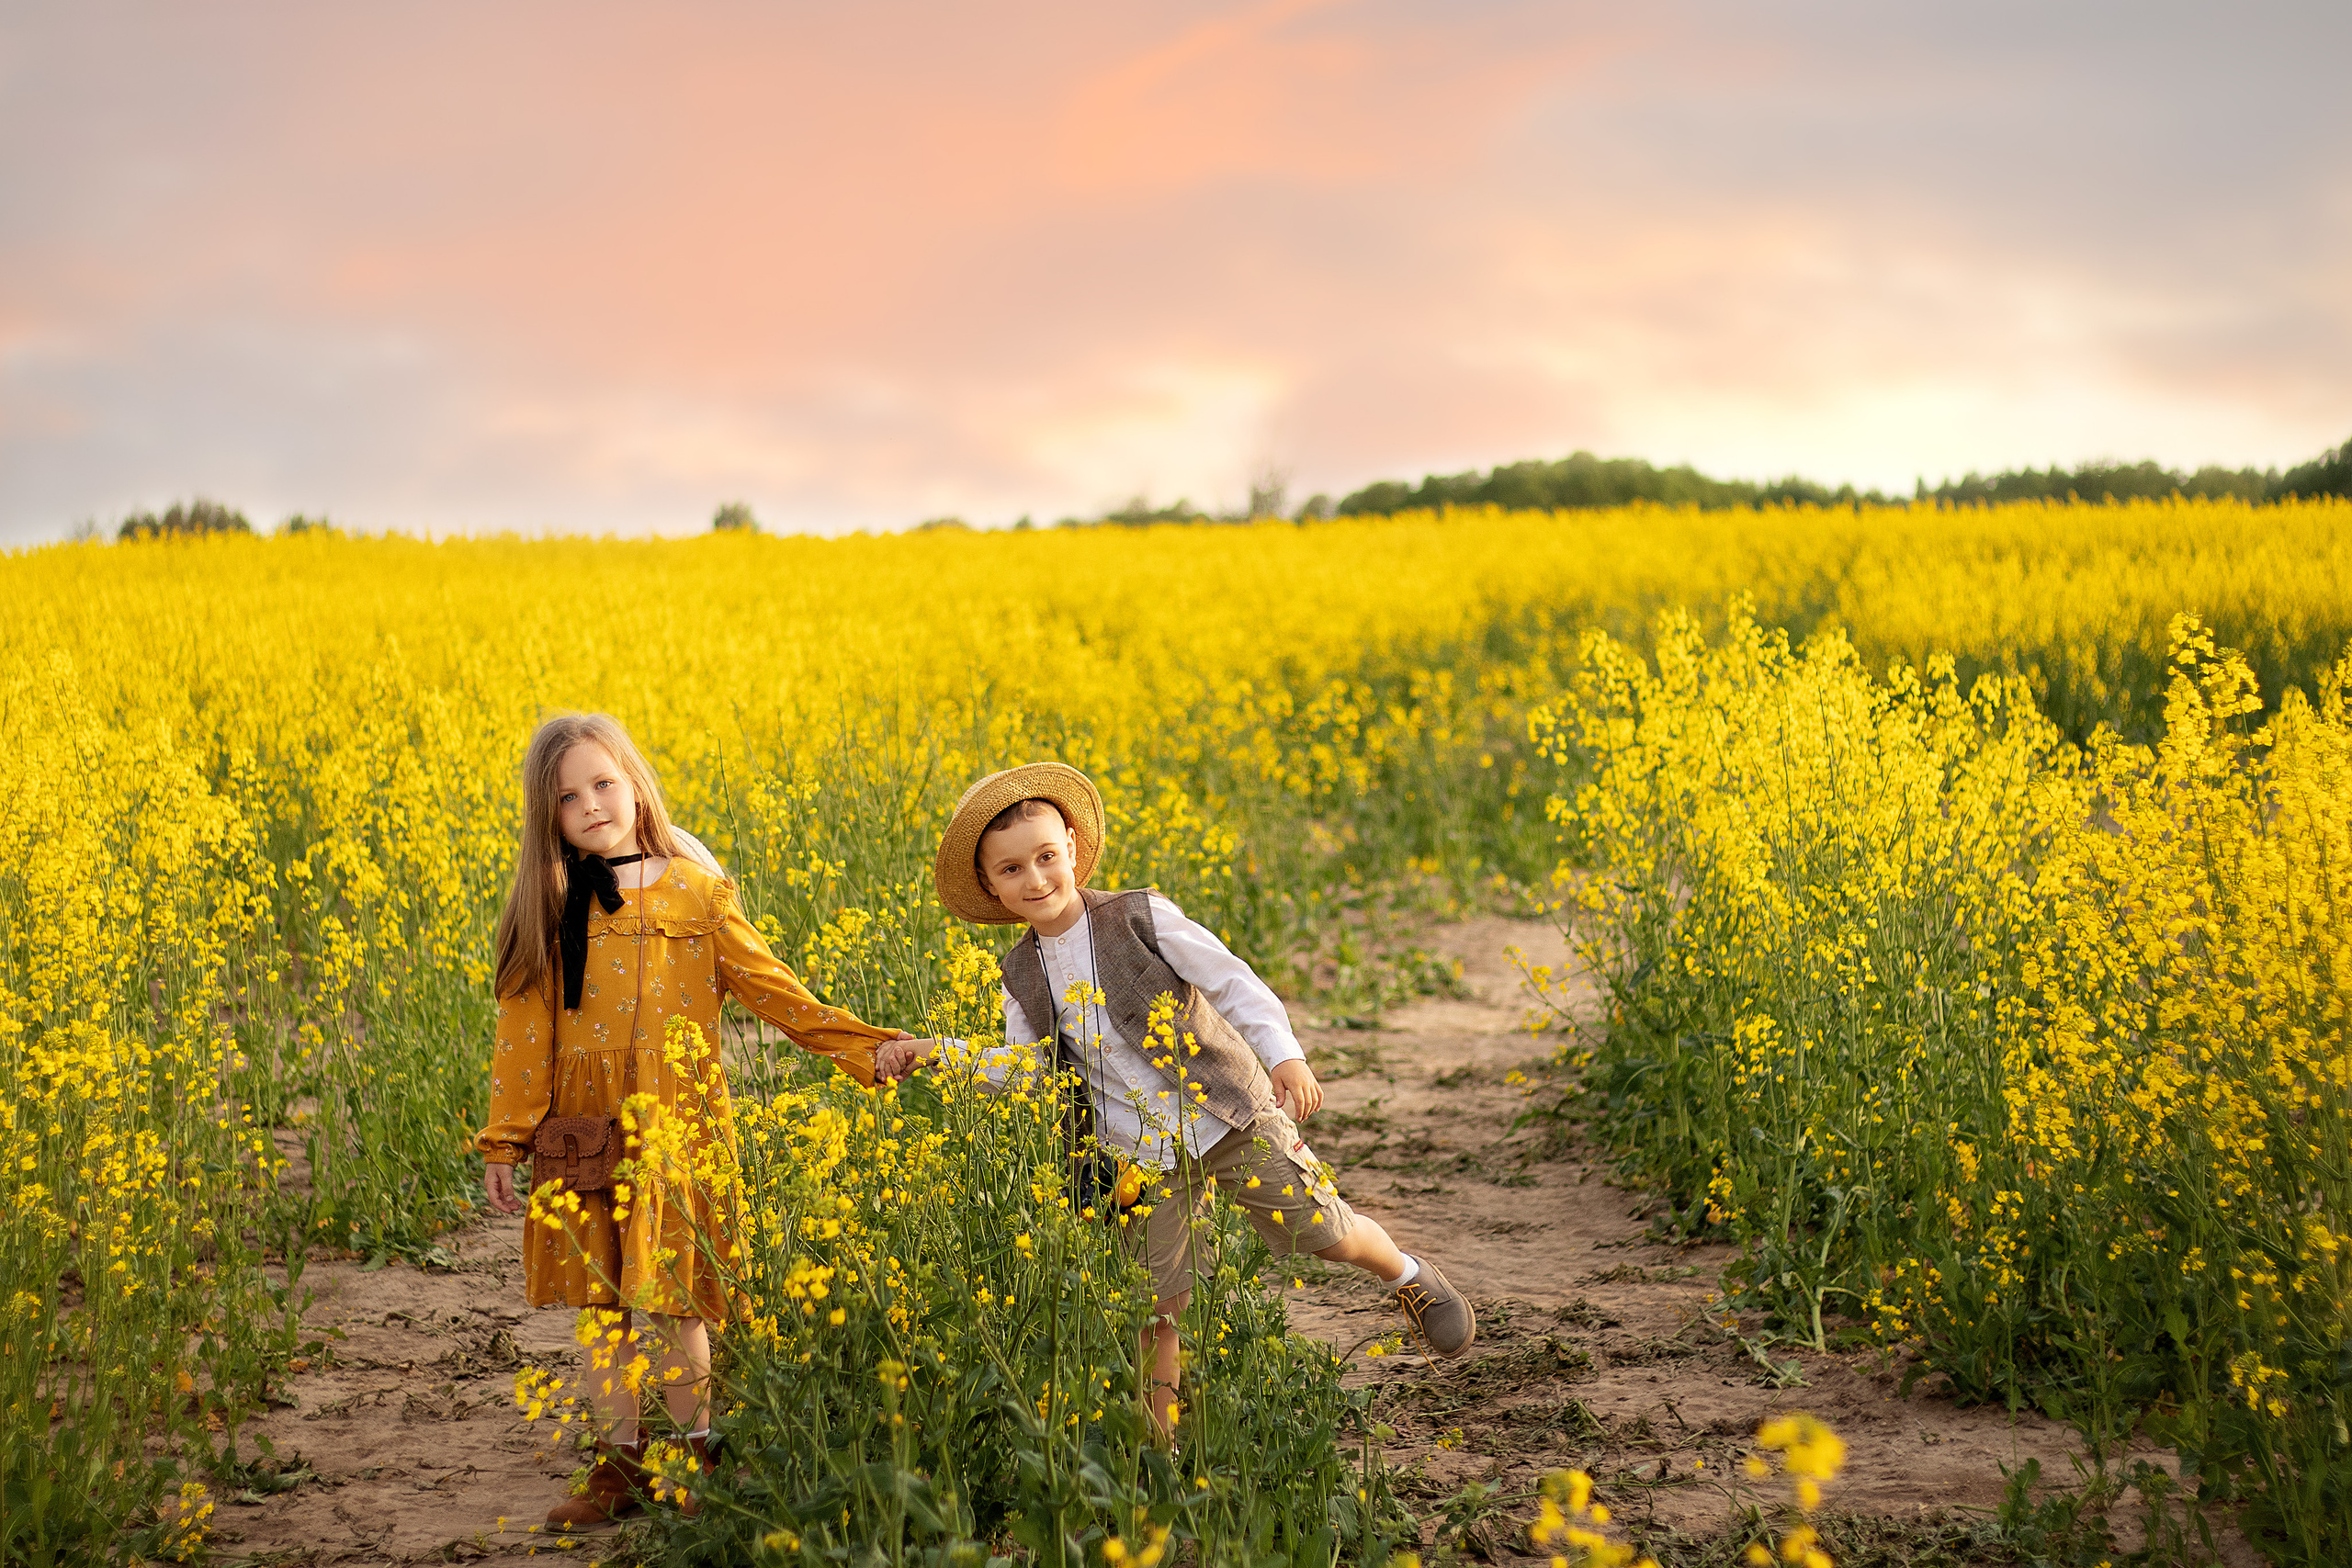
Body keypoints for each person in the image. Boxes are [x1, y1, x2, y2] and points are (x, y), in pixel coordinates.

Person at [876, 762, 1475, 1438]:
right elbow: (1029, 1071)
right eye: (1011, 870)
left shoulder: (1137, 915)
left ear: (1072, 845)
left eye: (1046, 856)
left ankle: (1408, 1274)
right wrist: (935, 1051)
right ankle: (1158, 1446)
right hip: (1138, 1155)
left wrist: (1286, 1055)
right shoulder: (1019, 975)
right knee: (1158, 1304)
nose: (1036, 879)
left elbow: (1232, 981)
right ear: (990, 883)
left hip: (1227, 1115)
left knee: (1326, 1234)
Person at [477, 712, 919, 1529]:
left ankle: (697, 1455)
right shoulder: (550, 901)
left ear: (635, 781)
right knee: (600, 1301)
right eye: (568, 797)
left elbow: (778, 991)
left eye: (603, 782)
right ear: (550, 817)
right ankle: (618, 1464)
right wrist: (507, 1137)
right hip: (581, 1125)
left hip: (677, 1122)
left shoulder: (696, 889)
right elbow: (524, 1031)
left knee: (679, 1298)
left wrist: (871, 1047)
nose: (592, 804)